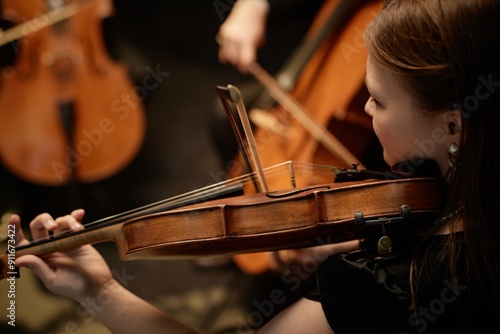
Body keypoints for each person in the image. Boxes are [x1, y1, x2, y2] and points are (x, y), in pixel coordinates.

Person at [10, 0, 500, 332]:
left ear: (453, 124)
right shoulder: (453, 190)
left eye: (377, 100)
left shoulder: (387, 286)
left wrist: (99, 292)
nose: (367, 110)